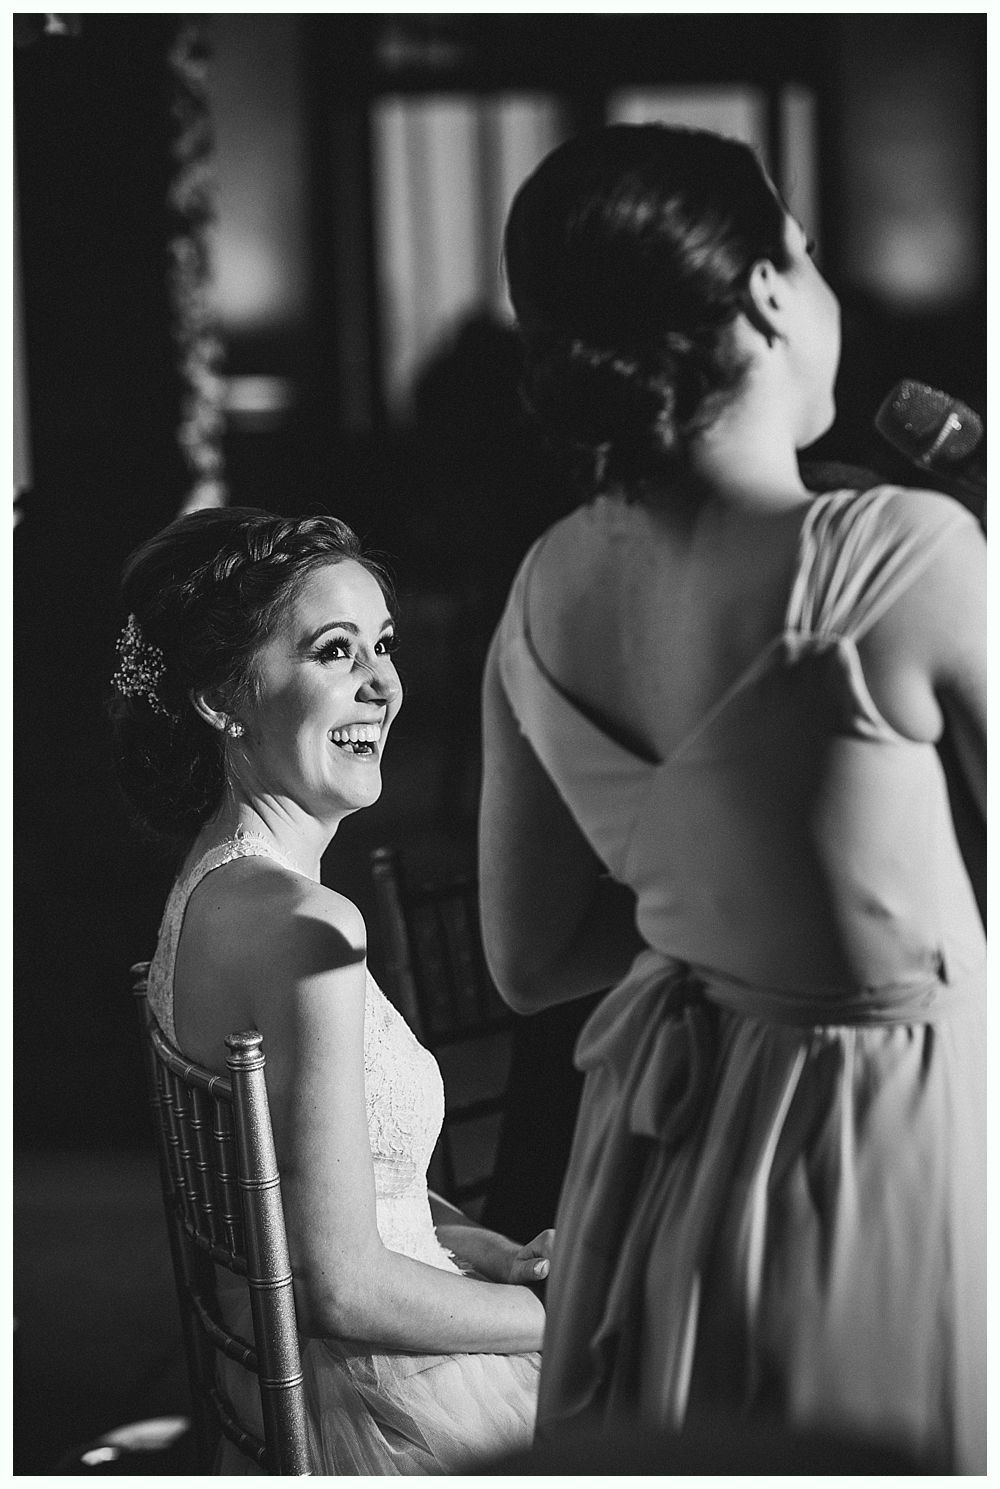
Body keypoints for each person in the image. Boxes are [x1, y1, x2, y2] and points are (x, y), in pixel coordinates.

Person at [479, 125, 985, 1472]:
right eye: (810, 257)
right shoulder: (904, 550)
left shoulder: (541, 592)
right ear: (768, 288)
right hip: (898, 1149)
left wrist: (735, 940)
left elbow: (529, 962)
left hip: (670, 1159)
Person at [111, 507, 548, 1474]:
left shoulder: (218, 885)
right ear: (223, 698)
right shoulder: (303, 926)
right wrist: (568, 1313)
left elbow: (336, 1196)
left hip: (298, 1375)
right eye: (334, 651)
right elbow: (346, 1288)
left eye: (382, 646)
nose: (382, 684)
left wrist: (491, 1255)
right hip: (372, 1397)